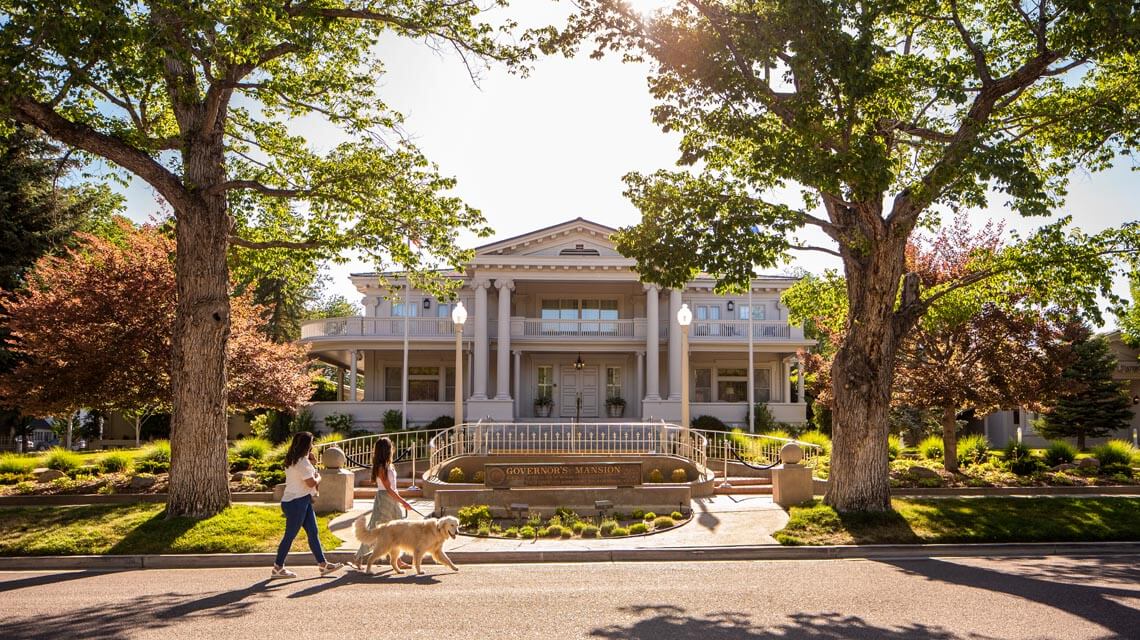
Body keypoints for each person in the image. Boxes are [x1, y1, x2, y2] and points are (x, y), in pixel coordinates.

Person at [271, 431, 344, 579]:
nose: (313, 445)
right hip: (296, 502)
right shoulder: (301, 462)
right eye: (311, 443)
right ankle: (278, 567)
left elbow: (304, 476)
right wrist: (319, 478)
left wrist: (313, 465)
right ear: (306, 445)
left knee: (313, 532)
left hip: (300, 500)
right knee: (290, 535)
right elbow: (310, 482)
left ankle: (323, 565)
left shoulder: (294, 459)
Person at [349, 437, 415, 571]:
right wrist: (403, 502)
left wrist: (400, 501)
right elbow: (388, 489)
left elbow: (393, 488)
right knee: (375, 530)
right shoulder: (381, 467)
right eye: (390, 447)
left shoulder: (389, 465)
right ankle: (358, 558)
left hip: (392, 499)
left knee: (398, 530)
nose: (392, 449)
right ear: (386, 450)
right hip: (385, 500)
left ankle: (397, 560)